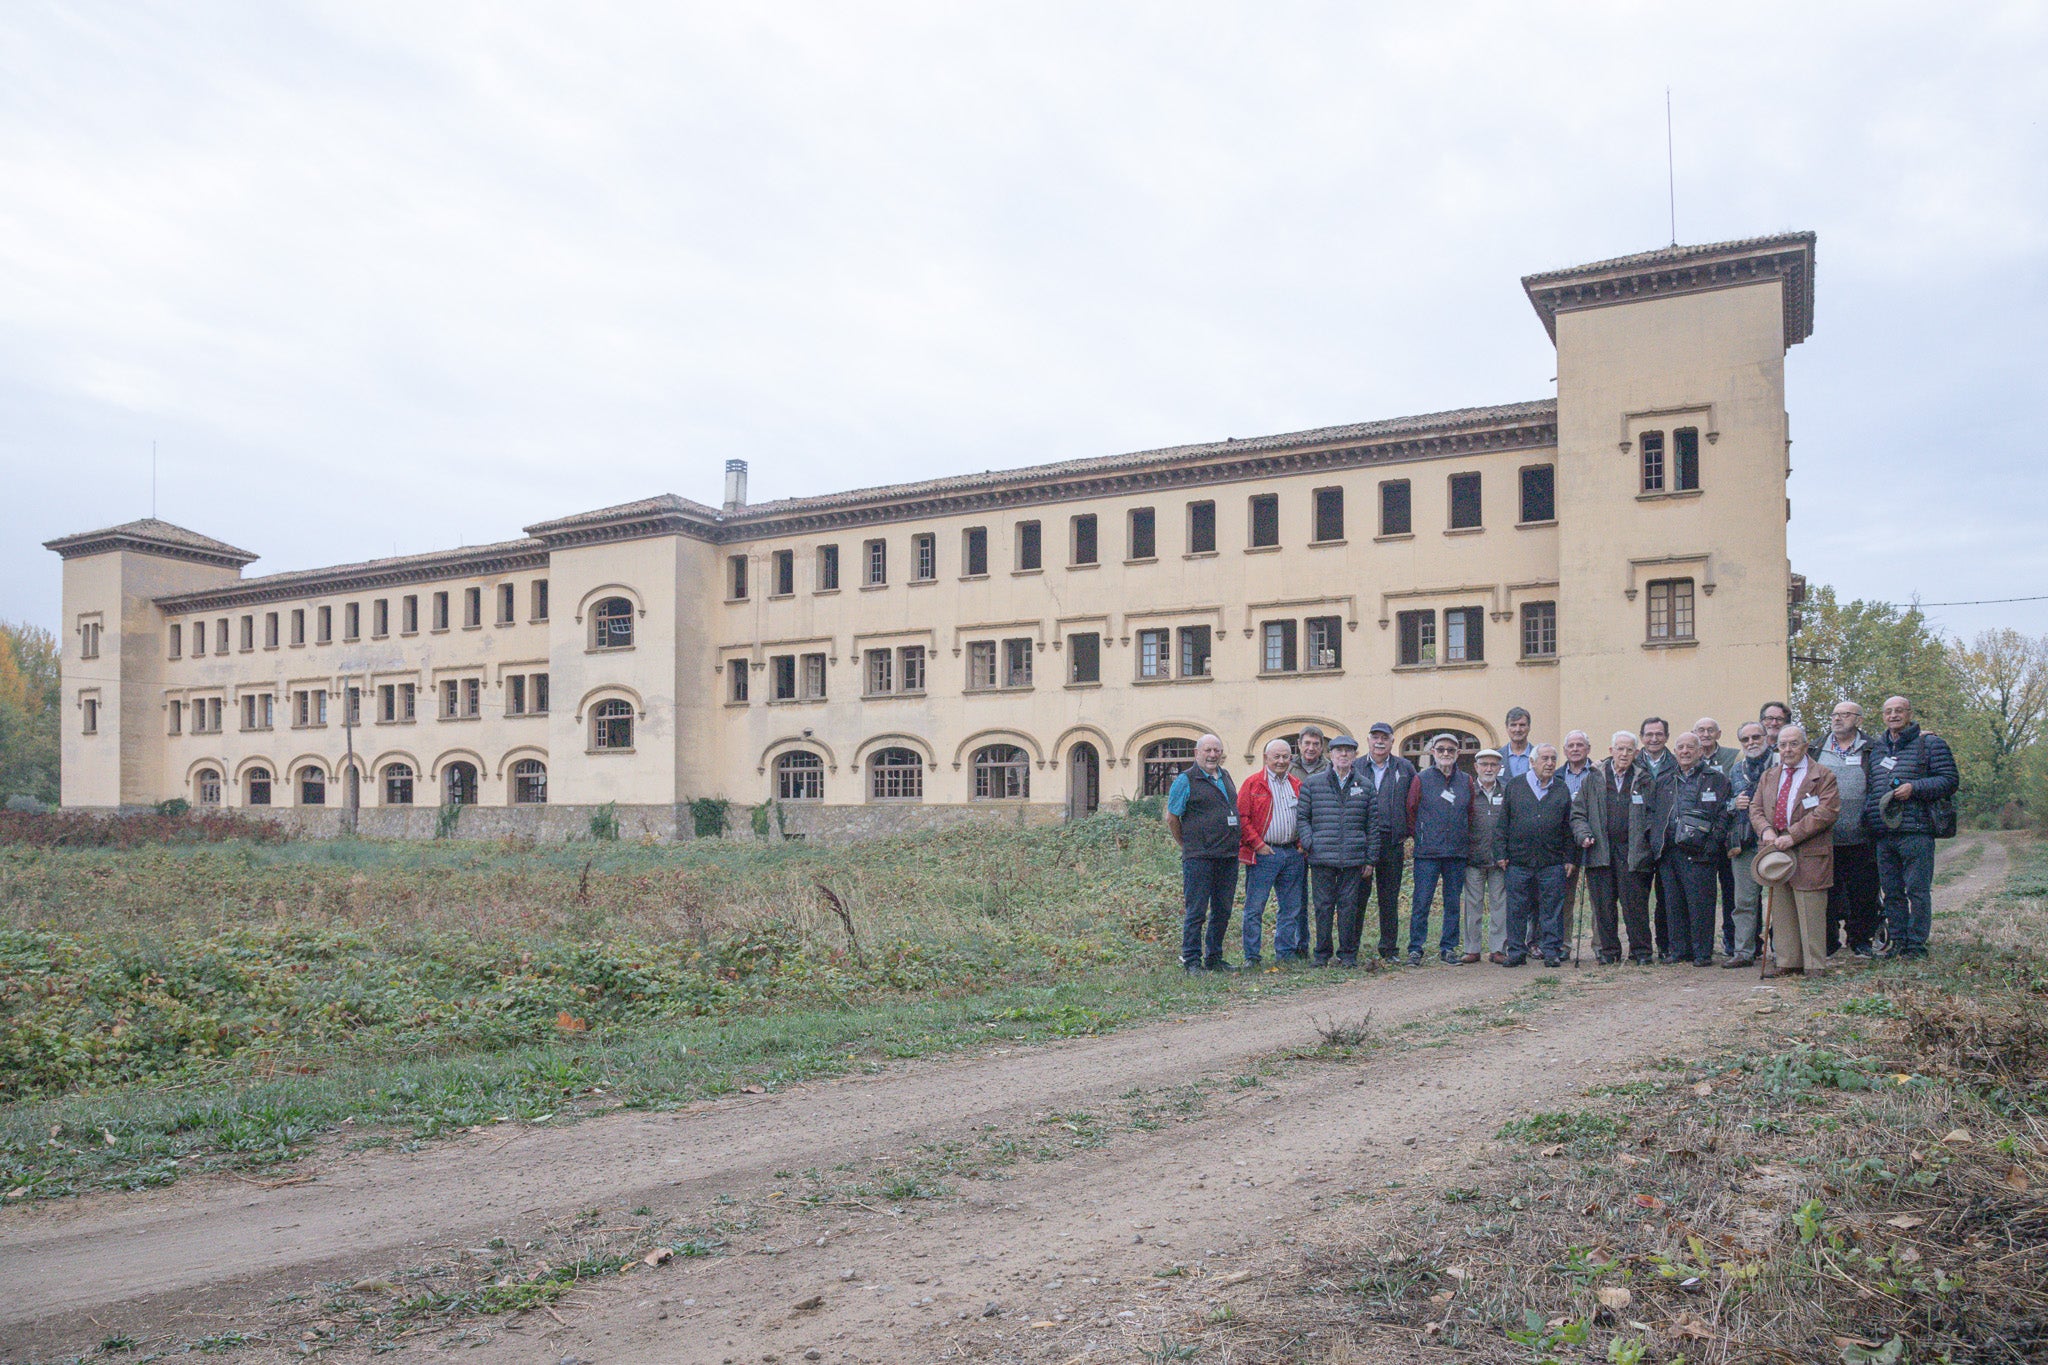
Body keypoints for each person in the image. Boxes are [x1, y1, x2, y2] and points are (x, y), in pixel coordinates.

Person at [1865, 696, 1959, 960]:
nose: (1893, 715)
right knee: (1892, 892)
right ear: (1883, 716)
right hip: (1885, 833)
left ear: (1909, 713)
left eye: (1899, 711)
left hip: (1916, 830)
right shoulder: (1878, 748)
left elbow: (1950, 780)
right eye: (1888, 711)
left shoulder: (1931, 744)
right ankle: (1898, 942)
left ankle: (1916, 946)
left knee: (1917, 891)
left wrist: (1915, 788)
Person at [1751, 723, 1840, 977]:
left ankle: (1814, 966)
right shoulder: (1769, 776)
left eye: (1793, 744)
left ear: (1805, 745)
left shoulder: (1823, 775)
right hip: (1775, 851)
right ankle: (1788, 961)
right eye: (1782, 745)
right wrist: (1765, 830)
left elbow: (1827, 812)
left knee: (1810, 908)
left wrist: (1794, 835)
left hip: (1809, 850)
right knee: (1782, 909)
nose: (1787, 749)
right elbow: (1755, 808)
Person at [1644, 732, 1733, 966]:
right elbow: (1652, 813)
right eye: (1680, 747)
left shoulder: (1716, 779)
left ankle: (1702, 953)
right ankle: (1678, 950)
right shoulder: (1664, 780)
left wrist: (1712, 844)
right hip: (1669, 852)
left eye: (1690, 747)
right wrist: (1656, 843)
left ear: (1700, 751)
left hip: (1701, 852)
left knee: (1700, 904)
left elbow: (1724, 815)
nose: (1685, 751)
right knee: (1672, 904)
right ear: (1674, 752)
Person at [1297, 734, 1383, 967]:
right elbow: (1302, 817)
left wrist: (1370, 858)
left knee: (1349, 908)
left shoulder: (1365, 786)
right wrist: (1310, 842)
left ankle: (1347, 955)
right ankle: (1322, 954)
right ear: (1330, 755)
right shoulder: (1313, 784)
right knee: (1323, 908)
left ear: (1355, 755)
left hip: (1353, 858)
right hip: (1322, 857)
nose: (1343, 755)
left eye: (1348, 751)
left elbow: (1372, 825)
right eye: (1339, 751)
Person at [1571, 730, 1653, 964]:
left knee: (1634, 905)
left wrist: (1645, 841)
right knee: (1604, 906)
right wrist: (1583, 835)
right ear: (1611, 751)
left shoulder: (1644, 778)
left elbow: (1652, 814)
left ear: (1636, 753)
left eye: (1629, 750)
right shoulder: (1593, 777)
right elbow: (1578, 814)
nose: (1624, 753)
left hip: (1632, 851)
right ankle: (1608, 952)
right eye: (1620, 749)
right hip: (1600, 850)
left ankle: (1641, 951)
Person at [1166, 734, 1240, 972]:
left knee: (1223, 910)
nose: (1212, 755)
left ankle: (1214, 958)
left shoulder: (1226, 776)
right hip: (1199, 857)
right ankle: (1192, 960)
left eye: (1216, 750)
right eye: (1207, 750)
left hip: (1227, 856)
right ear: (1197, 753)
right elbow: (1173, 817)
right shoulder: (1185, 780)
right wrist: (1186, 844)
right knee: (1197, 911)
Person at [1498, 743, 1576, 967]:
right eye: (1545, 759)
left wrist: (1569, 857)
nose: (1550, 763)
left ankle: (1551, 950)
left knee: (1552, 908)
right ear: (1532, 762)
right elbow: (1504, 822)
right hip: (1518, 861)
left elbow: (1567, 827)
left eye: (1553, 759)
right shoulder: (1515, 786)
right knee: (1516, 908)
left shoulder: (1561, 789)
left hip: (1551, 861)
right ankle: (1516, 951)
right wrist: (1501, 853)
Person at [1817, 701, 1881, 958]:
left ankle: (1860, 940)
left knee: (1863, 892)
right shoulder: (1816, 747)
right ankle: (1828, 941)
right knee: (1827, 893)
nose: (1838, 719)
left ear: (1859, 720)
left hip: (1862, 834)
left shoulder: (1873, 748)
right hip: (1825, 836)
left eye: (1845, 714)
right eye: (1835, 714)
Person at [1404, 732, 1472, 964]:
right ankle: (1415, 948)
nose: (1445, 754)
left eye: (1450, 750)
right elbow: (1411, 810)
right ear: (1433, 752)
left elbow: (1470, 812)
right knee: (1422, 901)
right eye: (1441, 749)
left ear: (1457, 754)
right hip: (1428, 853)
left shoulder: (1466, 781)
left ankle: (1449, 948)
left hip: (1456, 852)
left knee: (1453, 902)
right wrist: (1422, 835)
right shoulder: (1421, 779)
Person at [1238, 739, 1307, 965]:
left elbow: (1306, 817)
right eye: (1276, 757)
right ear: (1266, 758)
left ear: (1291, 758)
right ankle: (1252, 956)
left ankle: (1285, 953)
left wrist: (1301, 843)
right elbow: (1242, 818)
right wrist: (1257, 844)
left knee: (1291, 908)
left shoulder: (1296, 784)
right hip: (1264, 853)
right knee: (1255, 907)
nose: (1281, 761)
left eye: (1285, 756)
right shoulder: (1253, 784)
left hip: (1292, 853)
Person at [1362, 722, 1416, 963]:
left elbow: (1414, 801)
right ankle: (1350, 948)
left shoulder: (1405, 768)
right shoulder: (1356, 766)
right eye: (1375, 737)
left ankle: (1389, 949)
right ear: (1368, 740)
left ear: (1393, 741)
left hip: (1392, 842)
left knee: (1389, 898)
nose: (1380, 741)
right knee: (1357, 898)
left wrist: (1409, 833)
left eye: (1385, 737)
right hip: (1362, 843)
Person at [1721, 721, 1773, 969]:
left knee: (1780, 901)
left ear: (1766, 737)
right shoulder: (1736, 769)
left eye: (1756, 737)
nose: (1751, 742)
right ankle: (1743, 951)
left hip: (1775, 842)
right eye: (1745, 739)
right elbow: (1725, 804)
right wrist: (1734, 804)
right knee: (1743, 901)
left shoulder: (1779, 763)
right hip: (1744, 842)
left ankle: (1782, 951)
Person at [1695, 717, 1742, 957]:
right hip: (1698, 839)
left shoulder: (1733, 757)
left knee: (1731, 892)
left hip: (1727, 834)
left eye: (1710, 730)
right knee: (1703, 893)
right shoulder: (1688, 757)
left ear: (1719, 733)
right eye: (1701, 730)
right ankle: (1703, 943)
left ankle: (1732, 940)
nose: (1705, 734)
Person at [1463, 749, 1509, 964]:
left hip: (1500, 859)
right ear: (1476, 767)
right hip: (1474, 857)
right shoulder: (1468, 791)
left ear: (1500, 768)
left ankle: (1498, 948)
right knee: (1473, 905)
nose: (1489, 768)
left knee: (1500, 904)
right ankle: (1472, 948)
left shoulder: (1507, 791)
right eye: (1484, 764)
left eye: (1493, 764)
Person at [1636, 717, 1676, 957]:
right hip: (1638, 839)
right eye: (1649, 734)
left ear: (1666, 737)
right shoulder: (1632, 761)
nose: (1654, 739)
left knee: (1666, 897)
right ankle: (1641, 948)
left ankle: (1665, 945)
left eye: (1659, 734)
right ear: (1641, 737)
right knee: (1638, 897)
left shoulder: (1675, 763)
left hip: (1665, 839)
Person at [1557, 731, 1596, 953]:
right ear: (1565, 750)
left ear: (1588, 749)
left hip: (1593, 839)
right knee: (1565, 899)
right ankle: (1563, 945)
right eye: (1570, 745)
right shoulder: (1556, 776)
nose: (1575, 749)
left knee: (1598, 898)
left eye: (1580, 745)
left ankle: (1601, 946)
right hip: (1565, 842)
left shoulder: (1598, 773)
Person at [1500, 707, 1536, 779]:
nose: (1518, 729)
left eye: (1522, 725)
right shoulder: (1497, 757)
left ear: (1529, 727)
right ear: (1507, 728)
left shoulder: (1539, 756)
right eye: (1513, 725)